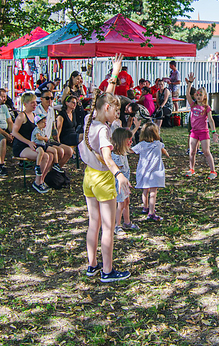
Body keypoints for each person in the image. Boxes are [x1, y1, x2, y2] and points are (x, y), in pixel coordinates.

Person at [80, 53, 132, 282]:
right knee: (108, 227)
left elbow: (103, 99)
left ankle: (92, 265)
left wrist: (114, 73)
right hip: (102, 179)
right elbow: (108, 157)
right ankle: (108, 271)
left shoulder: (90, 119)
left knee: (94, 223)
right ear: (108, 108)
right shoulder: (103, 130)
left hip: (89, 178)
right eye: (116, 111)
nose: (117, 115)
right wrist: (119, 175)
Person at [11, 92, 54, 194]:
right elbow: (14, 132)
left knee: (51, 155)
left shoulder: (35, 115)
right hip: (22, 146)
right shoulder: (21, 116)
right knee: (44, 156)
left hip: (34, 144)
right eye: (32, 103)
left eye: (35, 102)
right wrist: (28, 142)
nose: (35, 105)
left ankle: (42, 179)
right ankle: (37, 182)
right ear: (25, 104)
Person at [183, 73, 219, 179]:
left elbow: (211, 120)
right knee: (192, 151)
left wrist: (214, 132)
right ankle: (191, 169)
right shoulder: (193, 105)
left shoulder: (206, 107)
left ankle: (213, 171)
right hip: (194, 132)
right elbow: (187, 94)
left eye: (200, 95)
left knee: (206, 151)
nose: (198, 97)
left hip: (203, 132)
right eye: (197, 95)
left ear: (204, 96)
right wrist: (190, 83)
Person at [132, 124, 169, 221]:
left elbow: (131, 151)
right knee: (153, 192)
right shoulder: (158, 144)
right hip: (155, 171)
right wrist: (166, 154)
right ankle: (151, 213)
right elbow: (163, 150)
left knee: (145, 191)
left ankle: (145, 207)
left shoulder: (141, 145)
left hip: (143, 171)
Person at [110, 127, 138, 234]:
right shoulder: (116, 156)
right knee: (121, 203)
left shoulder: (123, 153)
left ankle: (127, 222)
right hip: (119, 184)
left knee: (126, 201)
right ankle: (117, 225)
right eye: (129, 140)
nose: (131, 142)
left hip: (125, 183)